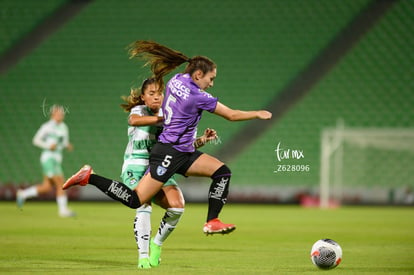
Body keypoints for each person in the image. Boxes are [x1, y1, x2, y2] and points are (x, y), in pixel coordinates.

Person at [63, 40, 272, 237]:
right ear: (199, 74)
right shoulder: (198, 95)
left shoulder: (176, 80)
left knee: (222, 172)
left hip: (184, 151)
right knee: (136, 200)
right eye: (211, 78)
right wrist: (257, 113)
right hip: (169, 153)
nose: (211, 84)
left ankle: (212, 221)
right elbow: (231, 115)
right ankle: (89, 177)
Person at [119, 78, 218, 268]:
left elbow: (182, 147)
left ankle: (156, 244)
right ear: (143, 97)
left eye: (159, 93)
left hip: (160, 166)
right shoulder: (139, 111)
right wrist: (164, 119)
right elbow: (134, 121)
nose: (156, 97)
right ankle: (143, 256)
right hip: (135, 167)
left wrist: (203, 140)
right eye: (151, 94)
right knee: (143, 203)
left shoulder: (168, 114)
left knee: (177, 206)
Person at [17, 104, 75, 217]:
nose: (61, 115)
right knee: (61, 183)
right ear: (53, 114)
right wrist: (48, 146)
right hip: (48, 158)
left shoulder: (64, 127)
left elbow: (63, 142)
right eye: (58, 113)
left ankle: (23, 194)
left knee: (47, 187)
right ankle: (63, 211)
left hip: (57, 159)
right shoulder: (47, 127)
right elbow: (36, 140)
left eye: (62, 113)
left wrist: (67, 145)